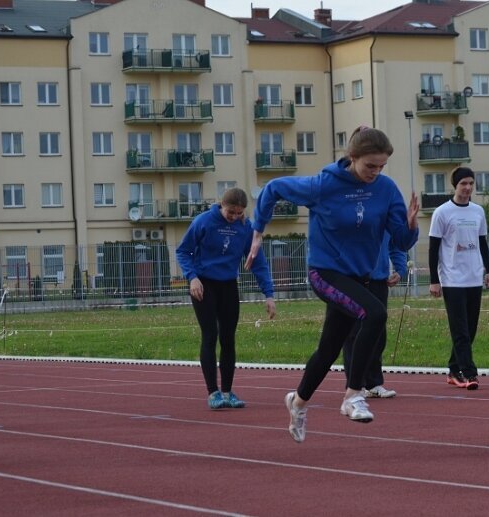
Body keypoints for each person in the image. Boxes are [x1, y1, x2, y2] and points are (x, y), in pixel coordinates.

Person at [245, 126, 419, 443]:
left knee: (328, 349)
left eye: (381, 166)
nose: (375, 172)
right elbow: (272, 189)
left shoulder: (386, 189)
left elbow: (401, 239)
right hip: (326, 273)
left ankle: (297, 403)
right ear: (352, 158)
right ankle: (353, 395)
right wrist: (258, 233)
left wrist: (410, 225)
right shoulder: (323, 185)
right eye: (370, 166)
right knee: (375, 314)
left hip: (363, 275)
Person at [176, 188, 276, 411]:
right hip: (204, 284)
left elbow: (257, 261)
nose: (234, 217)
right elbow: (183, 252)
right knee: (210, 334)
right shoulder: (203, 222)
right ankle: (213, 392)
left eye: (239, 213)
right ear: (221, 205)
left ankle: (228, 392)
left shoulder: (246, 228)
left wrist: (269, 294)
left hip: (228, 284)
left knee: (228, 338)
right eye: (231, 212)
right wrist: (192, 278)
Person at [428, 167, 489, 391]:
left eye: (471, 184)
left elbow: (483, 243)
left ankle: (453, 368)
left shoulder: (478, 212)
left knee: (471, 329)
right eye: (463, 184)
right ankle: (469, 374)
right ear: (455, 186)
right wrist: (434, 280)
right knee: (460, 331)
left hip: (474, 277)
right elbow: (433, 249)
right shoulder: (442, 212)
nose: (467, 188)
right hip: (452, 279)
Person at [341, 233, 407, 398]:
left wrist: (400, 269)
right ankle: (355, 385)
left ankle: (373, 382)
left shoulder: (384, 213)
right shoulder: (354, 214)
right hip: (353, 280)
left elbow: (396, 243)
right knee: (354, 333)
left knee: (378, 334)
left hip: (379, 281)